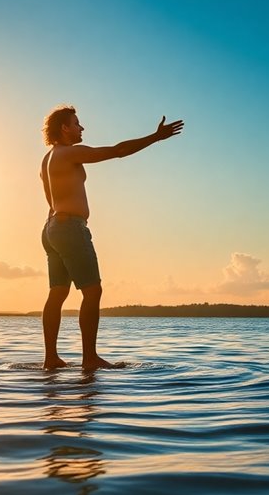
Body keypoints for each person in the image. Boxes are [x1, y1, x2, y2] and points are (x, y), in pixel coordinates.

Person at [39, 105, 183, 370]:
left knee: (57, 293)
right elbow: (117, 151)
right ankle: (90, 359)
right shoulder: (70, 153)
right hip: (69, 228)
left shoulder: (48, 159)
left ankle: (51, 359)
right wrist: (155, 137)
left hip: (51, 228)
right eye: (77, 123)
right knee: (93, 292)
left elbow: (51, 199)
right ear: (64, 128)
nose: (82, 128)